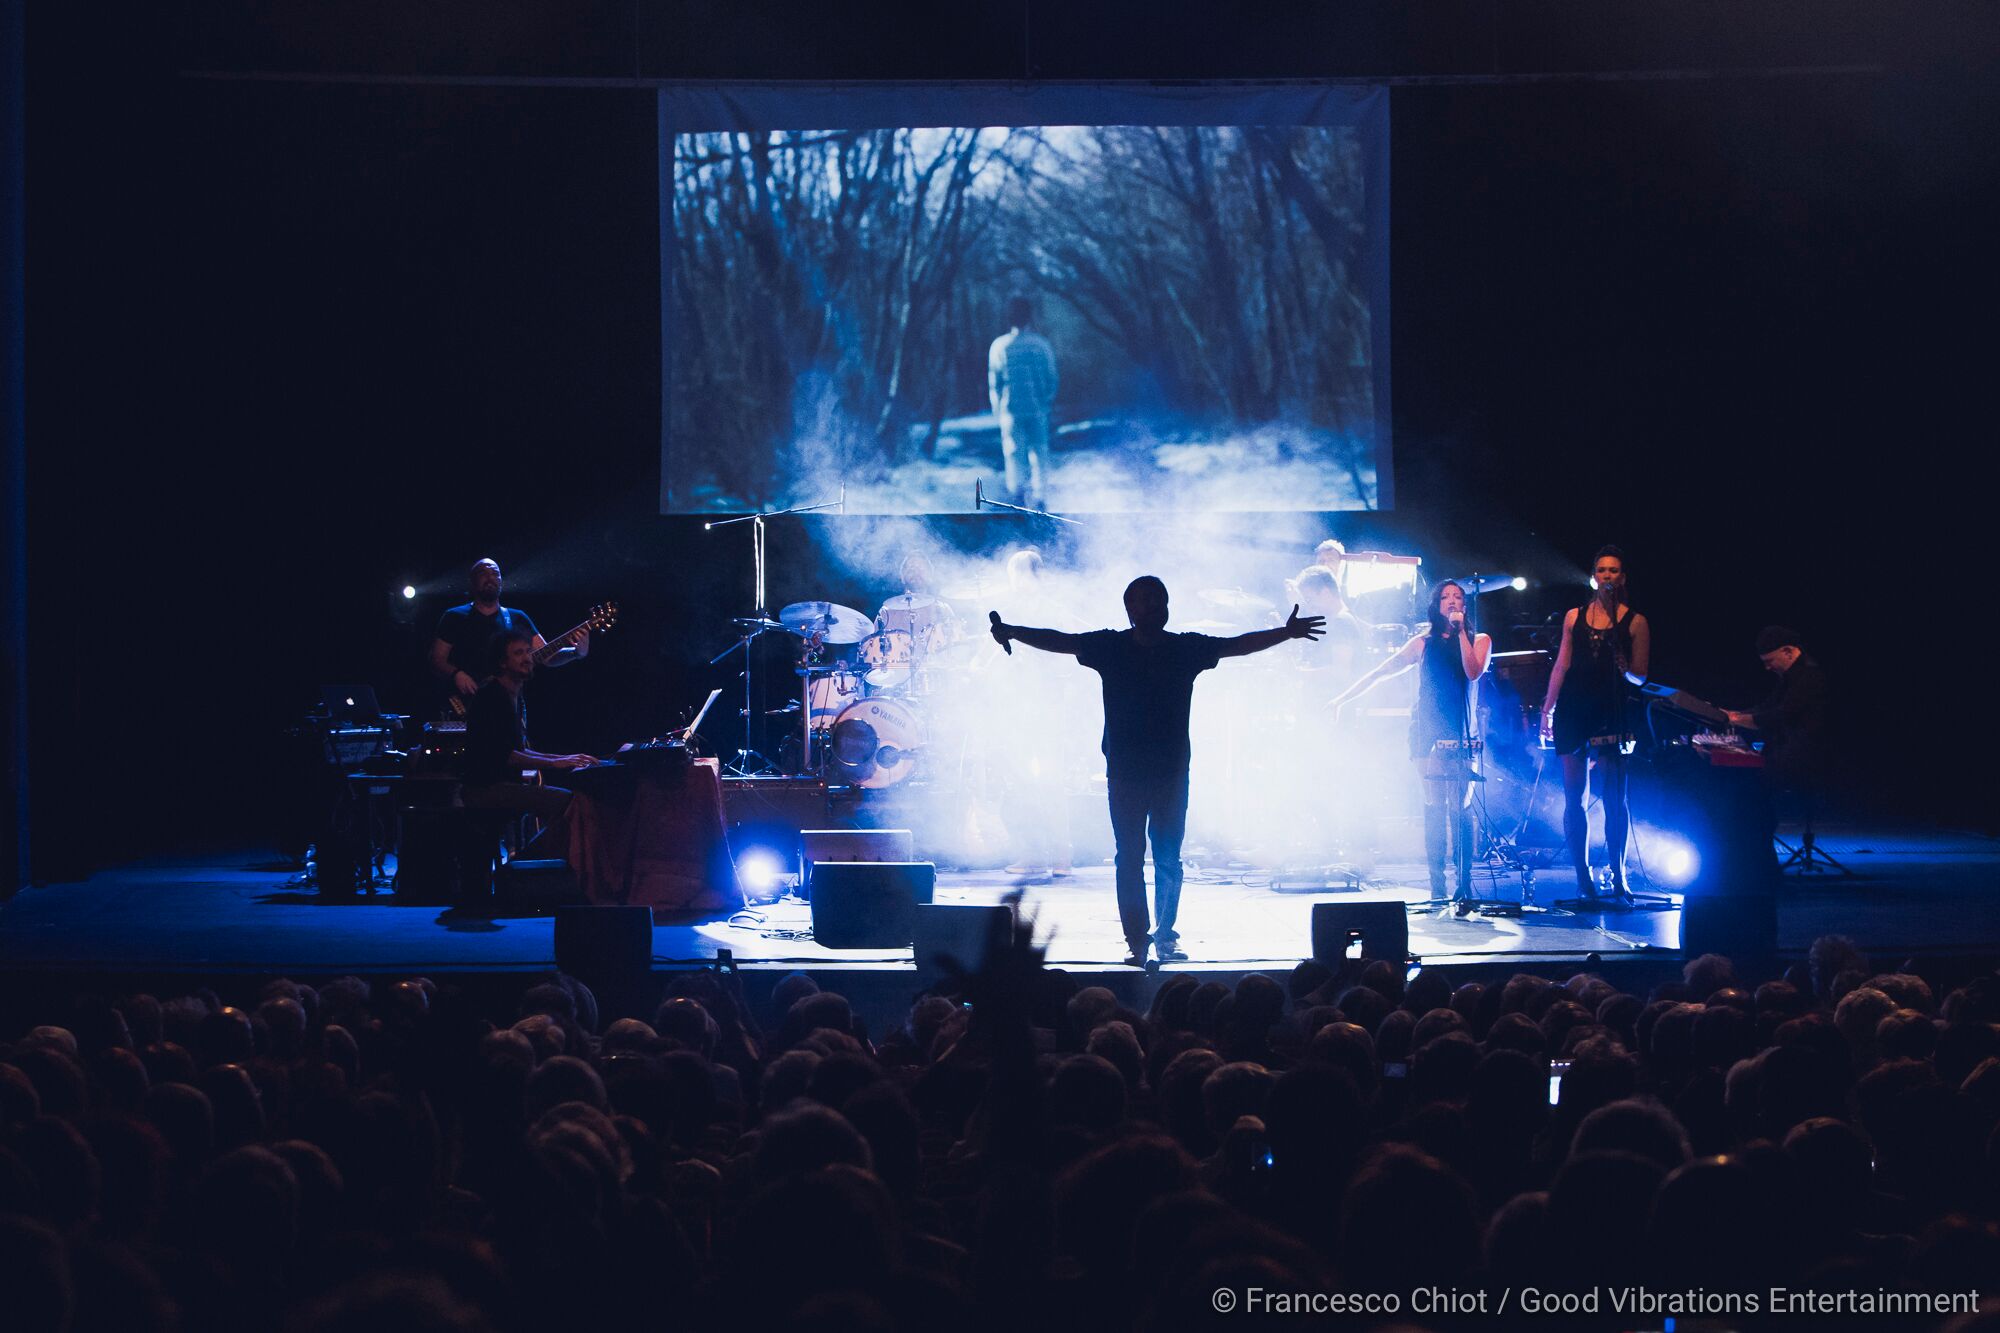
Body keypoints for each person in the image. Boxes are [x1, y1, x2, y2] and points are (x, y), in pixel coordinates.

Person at [989, 576, 1324, 967]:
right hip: (1126, 773)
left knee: (1167, 857)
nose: (1152, 608)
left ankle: (1164, 936)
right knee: (1129, 857)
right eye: (1144, 602)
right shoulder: (1110, 646)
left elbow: (1237, 646)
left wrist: (1285, 634)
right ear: (1129, 610)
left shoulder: (1184, 648)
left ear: (1167, 608)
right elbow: (1061, 639)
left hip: (1169, 773)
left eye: (1158, 601)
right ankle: (1137, 940)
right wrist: (1013, 630)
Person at [1327, 581, 1493, 907]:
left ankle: (1464, 885)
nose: (1452, 601)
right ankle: (1436, 886)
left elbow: (1473, 672)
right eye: (1445, 597)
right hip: (1426, 730)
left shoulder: (1479, 640)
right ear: (1436, 605)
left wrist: (1460, 633)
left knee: (1460, 806)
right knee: (1434, 805)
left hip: (1462, 731)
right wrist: (1342, 699)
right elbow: (1381, 671)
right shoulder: (1422, 643)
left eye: (1457, 597)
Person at [1540, 547, 1651, 900]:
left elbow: (1640, 676)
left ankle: (1618, 873)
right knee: (1575, 796)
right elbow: (1562, 665)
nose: (1607, 576)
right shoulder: (1574, 616)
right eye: (1601, 570)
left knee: (1614, 798)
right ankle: (1582, 876)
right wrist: (1547, 708)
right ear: (1593, 577)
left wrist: (1624, 666)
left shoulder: (1635, 621)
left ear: (1622, 578)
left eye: (1614, 570)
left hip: (1611, 710)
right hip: (1574, 709)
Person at [460, 631, 598, 855]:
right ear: (502, 662)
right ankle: (539, 862)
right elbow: (507, 755)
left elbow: (518, 750)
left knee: (570, 801)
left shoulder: (514, 694)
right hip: (485, 789)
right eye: (518, 653)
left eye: (528, 651)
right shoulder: (491, 697)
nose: (528, 658)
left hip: (500, 786)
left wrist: (564, 758)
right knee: (569, 801)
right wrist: (556, 763)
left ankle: (540, 861)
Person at [430, 558, 588, 707]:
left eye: (494, 573)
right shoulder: (454, 616)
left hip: (508, 706)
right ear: (472, 582)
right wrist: (457, 674)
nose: (489, 577)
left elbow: (547, 656)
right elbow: (437, 659)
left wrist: (575, 653)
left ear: (500, 581)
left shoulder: (516, 617)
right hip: (465, 704)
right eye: (483, 573)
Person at [987, 296, 1059, 508]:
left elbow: (995, 382)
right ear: (1029, 317)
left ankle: (1017, 495)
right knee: (1039, 451)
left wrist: (997, 408)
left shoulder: (999, 346)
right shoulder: (1041, 345)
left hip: (1011, 410)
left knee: (1013, 452)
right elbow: (1051, 378)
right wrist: (1046, 401)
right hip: (1037, 409)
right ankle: (1040, 497)